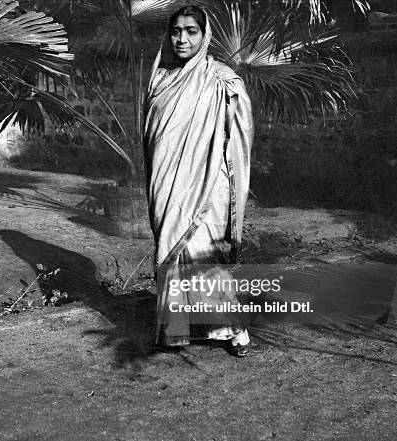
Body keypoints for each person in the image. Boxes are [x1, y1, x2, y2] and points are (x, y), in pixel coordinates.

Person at [143, 5, 254, 356]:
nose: (182, 39)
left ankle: (234, 330)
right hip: (167, 183)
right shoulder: (160, 79)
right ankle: (176, 329)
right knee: (174, 252)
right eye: (176, 31)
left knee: (206, 257)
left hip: (208, 185)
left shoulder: (222, 80)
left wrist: (224, 182)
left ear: (204, 35)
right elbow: (152, 139)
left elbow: (238, 137)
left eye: (191, 31)